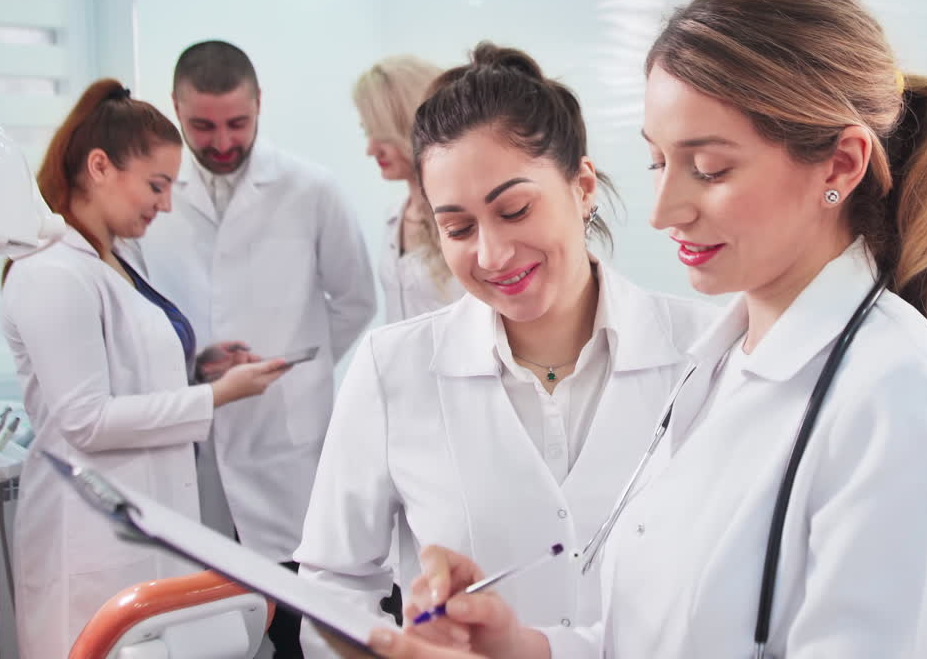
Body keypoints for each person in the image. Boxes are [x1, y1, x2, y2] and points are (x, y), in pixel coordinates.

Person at [350, 0, 927, 659]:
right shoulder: (717, 366)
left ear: (840, 166)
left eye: (708, 168)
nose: (664, 210)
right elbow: (646, 636)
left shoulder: (904, 397)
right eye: (657, 162)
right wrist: (520, 647)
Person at [293, 43, 718, 657]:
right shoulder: (393, 370)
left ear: (583, 186)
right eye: (458, 228)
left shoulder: (708, 352)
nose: (491, 255)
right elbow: (333, 583)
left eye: (514, 209)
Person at [0, 79, 289, 659]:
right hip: (88, 539)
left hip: (149, 526)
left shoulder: (115, 261)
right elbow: (85, 420)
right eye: (156, 185)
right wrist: (216, 398)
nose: (165, 204)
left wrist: (202, 371)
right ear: (100, 166)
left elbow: (127, 375)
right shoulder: (50, 272)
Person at [137, 40, 377, 656]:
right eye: (202, 125)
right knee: (210, 630)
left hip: (289, 449)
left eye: (237, 123)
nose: (221, 142)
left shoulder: (310, 188)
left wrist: (294, 370)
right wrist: (195, 370)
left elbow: (354, 300)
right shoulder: (155, 195)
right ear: (175, 108)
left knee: (299, 631)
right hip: (196, 445)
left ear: (260, 105)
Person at [353, 56, 464, 323]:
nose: (371, 150)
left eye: (382, 135)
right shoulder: (395, 217)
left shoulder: (465, 220)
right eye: (367, 132)